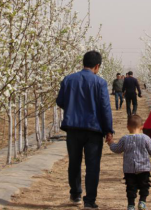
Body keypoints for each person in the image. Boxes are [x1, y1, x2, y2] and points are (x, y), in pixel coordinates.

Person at [56, 51, 114, 209]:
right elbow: (105, 108)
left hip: (73, 128)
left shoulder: (68, 79)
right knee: (93, 165)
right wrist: (108, 130)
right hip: (93, 130)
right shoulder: (100, 82)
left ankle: (75, 195)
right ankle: (90, 201)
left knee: (74, 162)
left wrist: (73, 108)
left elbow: (60, 101)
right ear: (97, 66)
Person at [108, 114, 151, 210]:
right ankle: (142, 201)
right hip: (144, 168)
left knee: (130, 187)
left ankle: (131, 205)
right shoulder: (146, 138)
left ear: (127, 127)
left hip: (129, 169)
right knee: (144, 185)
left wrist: (111, 143)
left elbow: (117, 149)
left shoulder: (124, 139)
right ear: (142, 127)